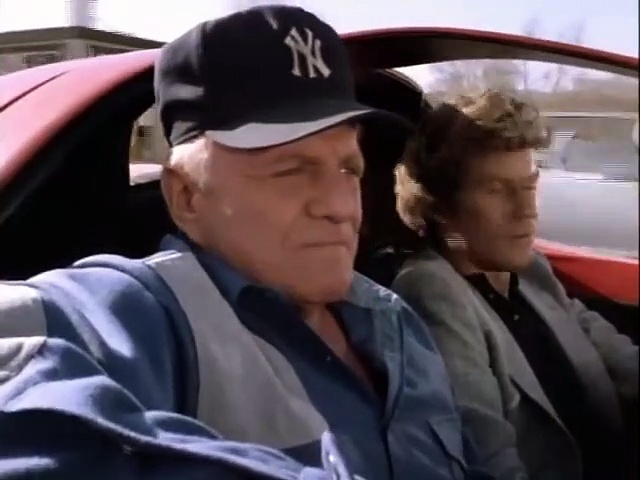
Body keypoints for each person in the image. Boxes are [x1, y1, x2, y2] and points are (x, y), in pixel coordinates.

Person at [0, 6, 494, 480]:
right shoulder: (142, 315)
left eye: (349, 168)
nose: (340, 206)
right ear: (187, 196)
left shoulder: (394, 320)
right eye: (293, 170)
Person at [390, 90, 639, 480]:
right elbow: (489, 457)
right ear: (441, 207)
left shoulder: (530, 271)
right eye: (496, 189)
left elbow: (616, 354)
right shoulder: (432, 291)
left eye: (529, 186)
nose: (527, 209)